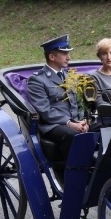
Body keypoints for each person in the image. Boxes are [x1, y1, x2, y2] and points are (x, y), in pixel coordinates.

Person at [26, 34, 88, 163]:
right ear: (52, 57)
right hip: (54, 125)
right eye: (64, 54)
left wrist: (84, 121)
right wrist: (70, 123)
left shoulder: (69, 75)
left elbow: (78, 102)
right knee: (72, 135)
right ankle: (70, 173)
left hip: (76, 121)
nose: (68, 57)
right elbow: (45, 111)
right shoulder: (37, 80)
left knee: (106, 126)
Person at [90, 37, 111, 106]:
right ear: (99, 56)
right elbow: (99, 103)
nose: (109, 57)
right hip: (110, 114)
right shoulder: (94, 77)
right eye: (105, 54)